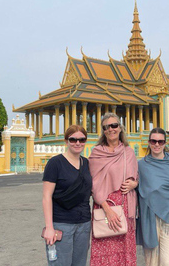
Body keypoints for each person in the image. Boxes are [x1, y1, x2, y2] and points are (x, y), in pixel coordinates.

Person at [89, 112, 139, 266]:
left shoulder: (128, 152)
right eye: (107, 127)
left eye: (114, 125)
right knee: (104, 251)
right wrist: (107, 210)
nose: (111, 129)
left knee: (124, 252)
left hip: (124, 207)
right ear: (103, 131)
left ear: (120, 128)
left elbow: (135, 177)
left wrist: (134, 184)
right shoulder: (97, 152)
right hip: (103, 207)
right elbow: (93, 185)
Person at [42, 125, 92, 266]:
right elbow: (46, 197)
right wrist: (49, 227)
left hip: (84, 223)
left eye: (81, 140)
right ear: (66, 141)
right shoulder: (55, 163)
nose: (77, 143)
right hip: (62, 224)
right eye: (73, 139)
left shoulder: (87, 163)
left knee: (79, 263)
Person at [136, 127, 169, 266]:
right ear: (149, 142)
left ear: (165, 143)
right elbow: (135, 183)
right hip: (150, 215)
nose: (157, 144)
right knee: (152, 260)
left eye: (160, 142)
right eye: (153, 141)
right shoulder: (141, 165)